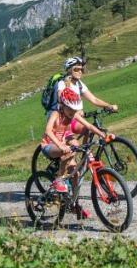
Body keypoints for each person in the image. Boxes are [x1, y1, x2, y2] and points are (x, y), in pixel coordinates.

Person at [41, 87, 112, 217]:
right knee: (69, 152)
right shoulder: (56, 114)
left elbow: (89, 126)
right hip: (49, 145)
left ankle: (74, 205)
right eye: (70, 109)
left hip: (64, 144)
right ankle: (58, 180)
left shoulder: (72, 113)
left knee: (76, 174)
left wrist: (103, 135)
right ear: (62, 105)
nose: (73, 112)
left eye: (75, 110)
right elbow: (48, 131)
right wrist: (61, 145)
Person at [53, 56, 117, 116]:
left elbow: (94, 99)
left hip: (78, 118)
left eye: (81, 69)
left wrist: (109, 106)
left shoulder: (79, 83)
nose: (80, 72)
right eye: (76, 69)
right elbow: (61, 100)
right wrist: (75, 111)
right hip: (66, 120)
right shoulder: (62, 83)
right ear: (69, 70)